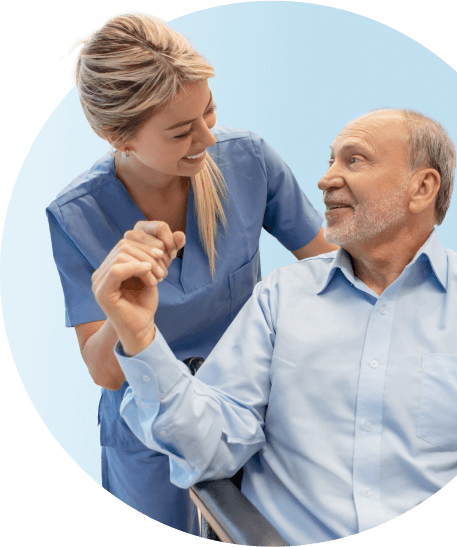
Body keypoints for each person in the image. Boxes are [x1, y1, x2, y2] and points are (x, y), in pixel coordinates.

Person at [93, 108, 457, 543]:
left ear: (422, 187)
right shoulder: (281, 297)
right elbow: (210, 445)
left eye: (355, 160)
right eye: (329, 161)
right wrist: (140, 336)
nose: (325, 180)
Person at [46, 11, 338, 534]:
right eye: (182, 131)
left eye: (210, 112)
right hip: (145, 437)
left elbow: (327, 268)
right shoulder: (76, 216)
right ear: (119, 135)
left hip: (247, 411)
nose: (206, 138)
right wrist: (124, 311)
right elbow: (106, 371)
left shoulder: (249, 161)